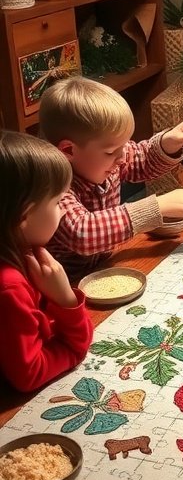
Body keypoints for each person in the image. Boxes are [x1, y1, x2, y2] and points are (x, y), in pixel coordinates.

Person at [39, 77, 183, 278]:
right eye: (112, 151)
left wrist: (169, 141)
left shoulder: (107, 159)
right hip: (67, 286)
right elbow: (82, 232)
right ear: (69, 150)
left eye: (125, 144)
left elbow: (141, 157)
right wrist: (155, 207)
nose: (122, 157)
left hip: (107, 265)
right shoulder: (51, 184)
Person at [0, 131, 93, 393]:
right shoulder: (9, 287)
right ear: (24, 216)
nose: (63, 210)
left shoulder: (20, 250)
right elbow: (30, 374)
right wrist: (65, 299)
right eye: (56, 202)